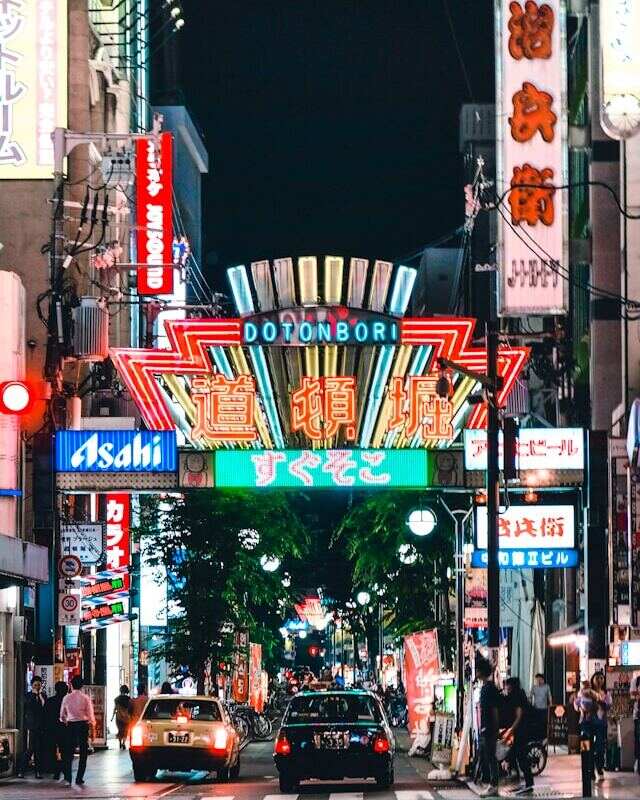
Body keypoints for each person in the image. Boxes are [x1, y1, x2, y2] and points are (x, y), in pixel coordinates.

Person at [60, 675, 96, 787]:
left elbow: (61, 715)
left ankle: (68, 778)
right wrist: (93, 728)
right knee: (83, 752)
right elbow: (90, 715)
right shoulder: (86, 698)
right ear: (82, 686)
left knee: (68, 752)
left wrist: (66, 721)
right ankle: (79, 778)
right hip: (82, 725)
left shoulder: (66, 698)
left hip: (70, 725)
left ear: (71, 685)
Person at [502, 677, 534, 794]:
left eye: (508, 686)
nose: (507, 688)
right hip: (521, 731)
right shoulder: (519, 695)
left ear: (512, 686)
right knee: (517, 755)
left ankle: (529, 783)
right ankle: (525, 781)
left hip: (522, 731)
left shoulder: (517, 697)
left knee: (521, 756)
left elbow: (519, 716)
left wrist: (511, 730)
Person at [476, 656, 501, 797]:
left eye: (477, 670)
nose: (476, 673)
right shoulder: (488, 687)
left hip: (489, 728)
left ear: (481, 671)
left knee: (490, 756)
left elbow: (493, 710)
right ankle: (492, 784)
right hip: (488, 727)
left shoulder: (488, 689)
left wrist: (493, 729)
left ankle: (493, 784)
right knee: (489, 756)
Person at [17, 675, 47, 778]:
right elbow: (28, 706)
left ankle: (38, 772)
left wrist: (40, 696)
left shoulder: (43, 695)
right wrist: (34, 696)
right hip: (31, 726)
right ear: (32, 685)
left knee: (38, 750)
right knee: (30, 749)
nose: (37, 686)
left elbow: (44, 708)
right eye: (35, 685)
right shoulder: (28, 695)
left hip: (41, 727)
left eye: (39, 685)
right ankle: (22, 770)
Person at [44, 681, 68, 779]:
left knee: (52, 751)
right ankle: (64, 771)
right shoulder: (68, 701)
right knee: (65, 751)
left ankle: (56, 770)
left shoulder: (50, 701)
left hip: (51, 730)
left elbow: (44, 716)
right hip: (65, 730)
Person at [590, 671, 611, 781]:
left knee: (600, 748)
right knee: (589, 748)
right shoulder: (588, 692)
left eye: (601, 678)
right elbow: (581, 703)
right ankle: (590, 770)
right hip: (589, 724)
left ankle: (599, 767)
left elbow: (608, 706)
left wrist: (601, 701)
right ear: (592, 679)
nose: (599, 680)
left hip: (602, 724)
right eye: (597, 678)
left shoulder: (606, 693)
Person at [530, 673, 552, 738]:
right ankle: (537, 736)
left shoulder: (547, 686)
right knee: (537, 723)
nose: (538, 681)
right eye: (537, 680)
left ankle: (544, 736)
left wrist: (551, 705)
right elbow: (530, 697)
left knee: (544, 723)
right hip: (536, 708)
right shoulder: (534, 687)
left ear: (543, 680)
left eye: (540, 680)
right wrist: (530, 705)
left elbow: (549, 696)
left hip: (544, 708)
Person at [112, 685, 132, 750]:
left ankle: (120, 742)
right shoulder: (129, 699)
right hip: (126, 717)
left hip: (118, 717)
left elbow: (115, 708)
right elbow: (130, 708)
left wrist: (112, 717)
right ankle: (123, 743)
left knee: (120, 730)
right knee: (125, 731)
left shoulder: (116, 699)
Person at [630, 672, 640, 773]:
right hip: (638, 715)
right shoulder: (636, 680)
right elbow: (632, 694)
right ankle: (638, 761)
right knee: (638, 738)